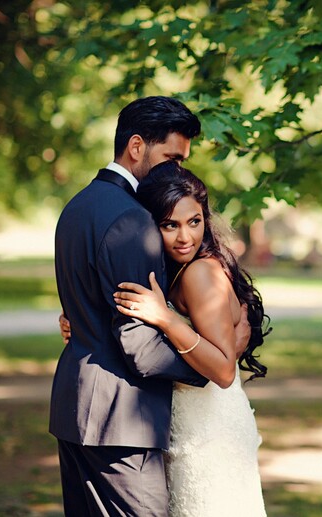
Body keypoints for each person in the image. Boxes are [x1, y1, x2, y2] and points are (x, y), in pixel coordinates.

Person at [52, 96, 252, 516]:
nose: (176, 171)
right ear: (137, 147)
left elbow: (89, 303)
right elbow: (139, 344)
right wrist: (217, 360)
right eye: (171, 159)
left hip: (75, 408)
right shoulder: (131, 219)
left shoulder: (78, 206)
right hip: (120, 422)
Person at [112, 161, 269, 516]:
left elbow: (224, 371)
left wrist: (167, 319)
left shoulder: (199, 272)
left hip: (212, 434)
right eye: (171, 225)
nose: (185, 237)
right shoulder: (178, 270)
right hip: (193, 426)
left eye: (194, 222)